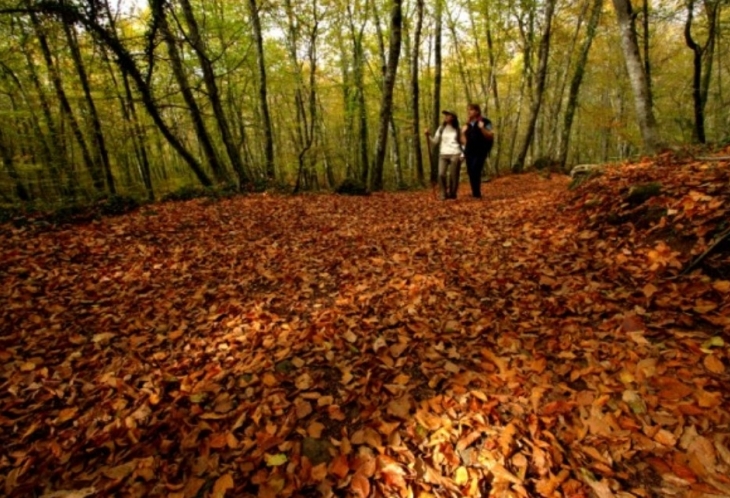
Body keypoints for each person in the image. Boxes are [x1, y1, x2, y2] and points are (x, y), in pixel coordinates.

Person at [425, 110, 463, 200]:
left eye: (448, 115)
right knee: (441, 174)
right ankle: (443, 193)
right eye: (445, 115)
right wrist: (428, 136)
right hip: (443, 154)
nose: (445, 117)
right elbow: (435, 142)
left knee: (453, 175)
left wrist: (462, 154)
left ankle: (452, 193)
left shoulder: (458, 129)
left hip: (455, 153)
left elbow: (463, 142)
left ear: (453, 117)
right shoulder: (441, 128)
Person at [461, 103, 494, 199]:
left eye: (470, 110)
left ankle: (477, 193)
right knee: (471, 171)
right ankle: (475, 193)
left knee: (476, 169)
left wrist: (482, 128)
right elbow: (464, 141)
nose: (468, 112)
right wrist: (462, 133)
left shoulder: (486, 121)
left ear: (477, 111)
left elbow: (490, 136)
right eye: (468, 110)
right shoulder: (467, 124)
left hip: (480, 150)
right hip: (469, 151)